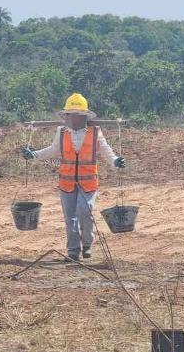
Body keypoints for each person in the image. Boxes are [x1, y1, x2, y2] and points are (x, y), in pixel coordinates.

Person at [21, 93, 125, 261]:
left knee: (85, 212)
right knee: (70, 217)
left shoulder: (95, 132)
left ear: (84, 116)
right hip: (67, 182)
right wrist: (33, 155)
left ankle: (87, 244)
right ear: (67, 116)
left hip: (88, 181)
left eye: (78, 115)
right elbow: (53, 150)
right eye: (71, 115)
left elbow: (106, 150)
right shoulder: (61, 132)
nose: (74, 118)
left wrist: (115, 161)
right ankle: (73, 251)